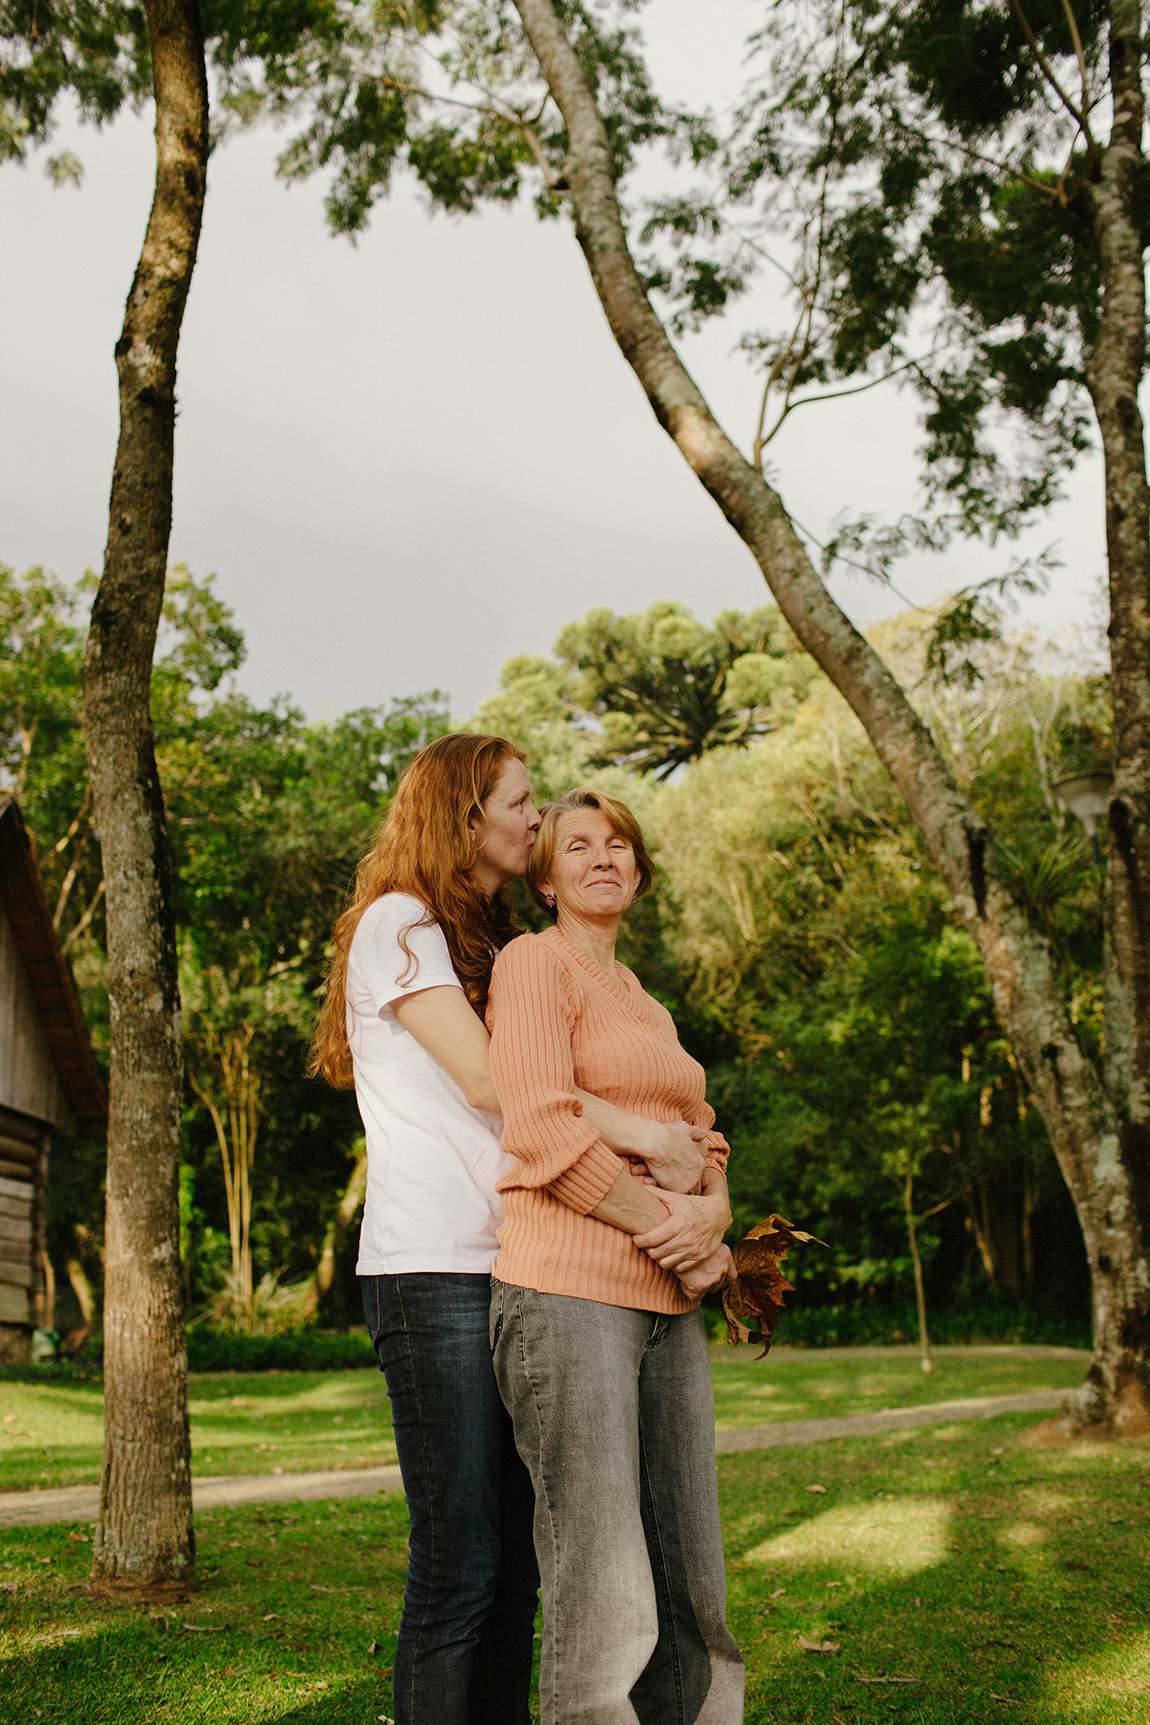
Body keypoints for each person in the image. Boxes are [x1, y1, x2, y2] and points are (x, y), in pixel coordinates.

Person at [310, 736, 715, 1725]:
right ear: (465, 816)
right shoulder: (397, 924)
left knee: (522, 1560)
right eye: (521, 804)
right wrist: (647, 1138)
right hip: (430, 1267)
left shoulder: (487, 940)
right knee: (462, 1560)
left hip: (513, 1266)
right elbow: (500, 1087)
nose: (533, 822)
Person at [487, 786, 745, 1725]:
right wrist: (666, 1225)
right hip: (566, 1295)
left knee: (691, 1570)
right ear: (547, 878)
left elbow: (701, 1131)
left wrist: (713, 1215)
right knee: (605, 1582)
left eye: (620, 844)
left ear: (637, 869)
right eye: (578, 845)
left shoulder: (644, 1000)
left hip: (668, 1306)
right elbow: (542, 1126)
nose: (604, 857)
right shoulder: (530, 965)